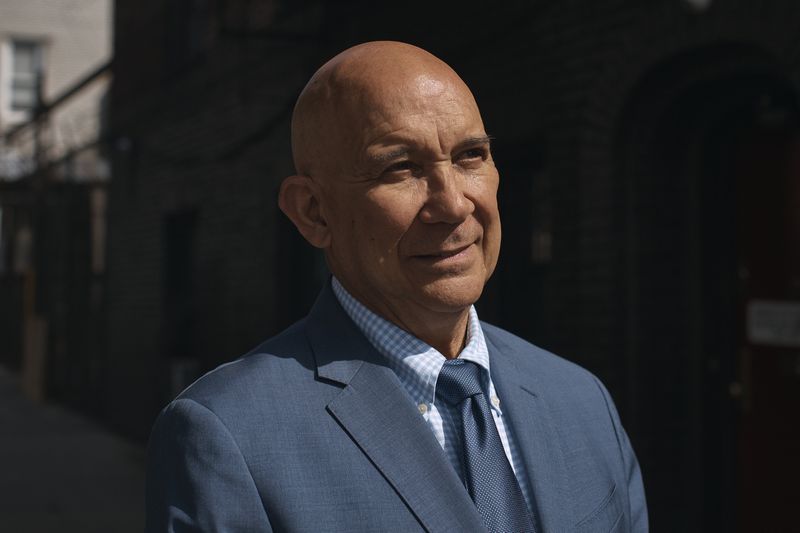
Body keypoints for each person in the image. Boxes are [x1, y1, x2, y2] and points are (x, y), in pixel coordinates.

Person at [146, 41, 648, 532]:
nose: (453, 204)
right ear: (313, 212)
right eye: (400, 168)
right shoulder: (228, 436)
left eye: (471, 155)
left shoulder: (582, 399)